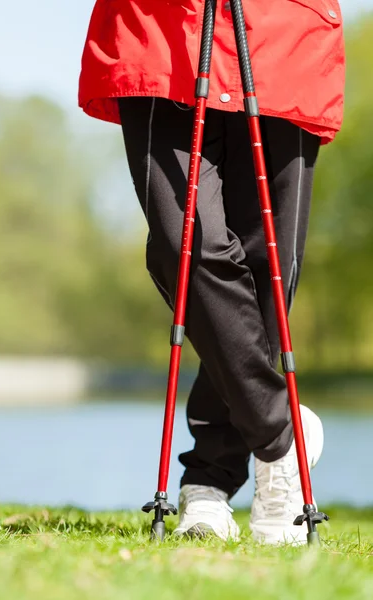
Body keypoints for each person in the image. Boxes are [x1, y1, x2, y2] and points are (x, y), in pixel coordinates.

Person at [79, 0, 345, 544]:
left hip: (281, 37)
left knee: (267, 265)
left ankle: (209, 483)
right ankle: (281, 434)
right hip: (163, 34)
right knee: (183, 246)